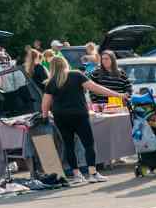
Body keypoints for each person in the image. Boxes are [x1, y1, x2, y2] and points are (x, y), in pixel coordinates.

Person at [40, 56, 127, 184]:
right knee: (88, 144)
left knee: (69, 145)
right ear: (65, 64)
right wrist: (118, 95)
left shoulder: (51, 82)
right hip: (79, 114)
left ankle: (76, 175)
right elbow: (96, 88)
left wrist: (44, 116)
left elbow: (45, 103)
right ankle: (92, 173)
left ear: (52, 68)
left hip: (60, 116)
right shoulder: (76, 75)